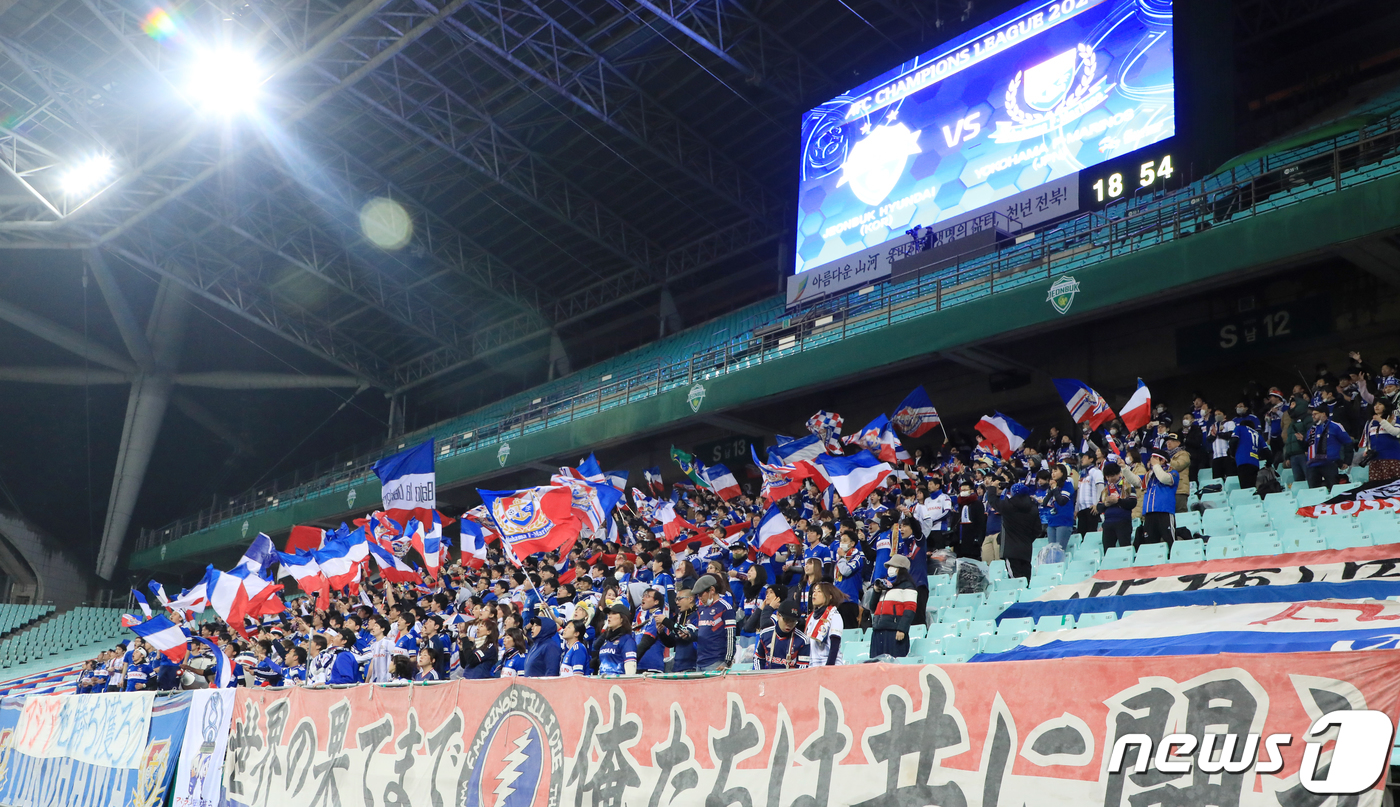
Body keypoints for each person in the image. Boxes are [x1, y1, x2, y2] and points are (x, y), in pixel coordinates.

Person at [987, 482, 1038, 580]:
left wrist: (992, 488)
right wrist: (1026, 539)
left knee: (1016, 580)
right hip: (1026, 549)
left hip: (1011, 550)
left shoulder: (1008, 506)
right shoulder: (1033, 508)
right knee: (1026, 580)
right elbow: (1037, 529)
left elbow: (993, 501)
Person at [869, 554, 916, 658]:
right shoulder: (885, 585)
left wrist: (902, 629)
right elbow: (872, 607)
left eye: (893, 566)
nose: (890, 569)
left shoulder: (908, 585)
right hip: (878, 630)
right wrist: (876, 591)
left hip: (894, 632)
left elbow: (910, 608)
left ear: (901, 569)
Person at [691, 575, 735, 672]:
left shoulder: (725, 608)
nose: (699, 598)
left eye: (701, 594)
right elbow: (700, 633)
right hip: (700, 661)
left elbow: (731, 636)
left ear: (712, 590)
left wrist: (727, 661)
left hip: (716, 662)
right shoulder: (701, 609)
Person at [1306, 404, 1353, 489]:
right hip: (1312, 466)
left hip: (1329, 464)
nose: (1313, 416)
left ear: (1323, 414)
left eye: (1315, 414)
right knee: (1314, 492)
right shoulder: (1311, 429)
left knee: (1333, 489)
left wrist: (1347, 461)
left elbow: (1348, 442)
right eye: (1312, 414)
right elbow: (1307, 446)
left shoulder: (1335, 426)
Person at [1140, 449, 1179, 547]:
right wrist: (1124, 468)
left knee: (1170, 541)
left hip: (1164, 512)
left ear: (1163, 461)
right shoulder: (1149, 476)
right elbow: (1135, 480)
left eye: (1155, 458)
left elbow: (1163, 478)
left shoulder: (1173, 472)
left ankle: (1174, 561)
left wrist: (1156, 466)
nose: (1152, 460)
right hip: (1149, 513)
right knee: (1150, 544)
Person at [753, 604, 810, 670]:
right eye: (786, 620)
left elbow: (802, 669)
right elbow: (758, 659)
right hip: (768, 677)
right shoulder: (765, 634)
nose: (789, 624)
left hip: (791, 678)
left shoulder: (803, 641)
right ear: (778, 615)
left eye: (793, 621)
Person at [1096, 462, 1139, 549]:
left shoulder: (1127, 485)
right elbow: (1099, 507)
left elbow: (1133, 502)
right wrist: (1106, 504)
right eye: (1107, 477)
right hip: (1108, 523)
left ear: (1119, 473)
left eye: (1112, 476)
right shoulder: (1105, 490)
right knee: (1108, 550)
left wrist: (1118, 501)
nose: (1109, 479)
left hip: (1123, 521)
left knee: (1125, 548)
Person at [804, 582, 844, 666]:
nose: (814, 594)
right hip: (813, 666)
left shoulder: (834, 615)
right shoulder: (811, 617)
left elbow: (834, 645)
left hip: (829, 666)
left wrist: (828, 667)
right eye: (814, 591)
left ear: (829, 596)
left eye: (819, 591)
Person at [1362, 398, 1400, 484]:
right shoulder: (1370, 422)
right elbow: (1368, 439)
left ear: (1386, 407)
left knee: (1393, 484)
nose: (1376, 406)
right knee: (1376, 485)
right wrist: (1366, 450)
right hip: (1376, 459)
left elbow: (1395, 432)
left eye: (1380, 404)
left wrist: (1381, 421)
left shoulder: (1393, 418)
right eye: (1375, 404)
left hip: (1392, 457)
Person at [595, 603, 638, 675]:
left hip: (618, 684)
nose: (609, 616)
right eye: (608, 614)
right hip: (604, 683)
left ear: (622, 618)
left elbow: (630, 668)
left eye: (613, 613)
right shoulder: (607, 641)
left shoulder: (627, 640)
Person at [522, 609, 561, 678]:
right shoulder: (535, 645)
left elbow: (552, 672)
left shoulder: (550, 646)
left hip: (541, 687)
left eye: (536, 625)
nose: (532, 628)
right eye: (532, 625)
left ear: (545, 628)